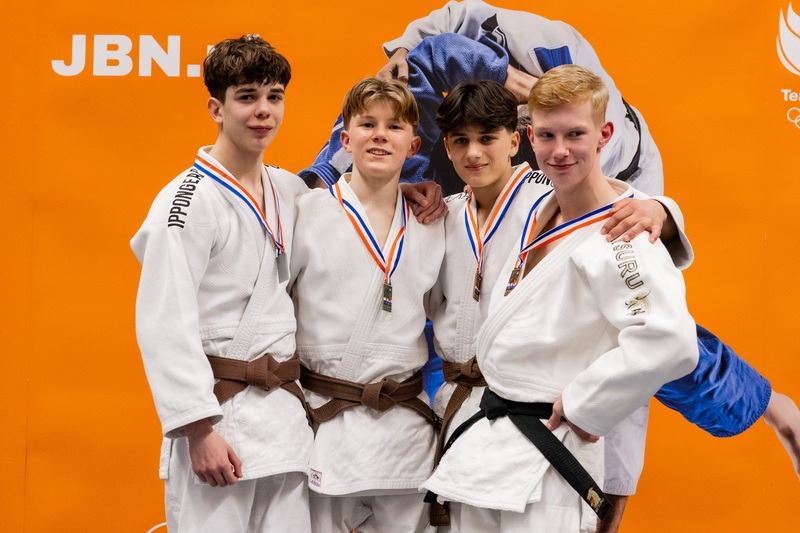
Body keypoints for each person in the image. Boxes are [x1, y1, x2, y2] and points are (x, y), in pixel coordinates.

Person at [422, 64, 700, 532]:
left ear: (604, 135)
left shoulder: (624, 231)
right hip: (487, 436)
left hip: (551, 438)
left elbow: (670, 342)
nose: (560, 150)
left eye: (575, 134)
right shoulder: (538, 212)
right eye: (548, 136)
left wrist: (586, 404)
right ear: (531, 138)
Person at [130, 35, 314, 532]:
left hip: (284, 423)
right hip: (220, 419)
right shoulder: (185, 201)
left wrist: (411, 190)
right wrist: (197, 429)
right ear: (217, 108)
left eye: (274, 96)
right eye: (247, 97)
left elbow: (352, 212)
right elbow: (164, 322)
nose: (263, 111)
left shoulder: (289, 189)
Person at [302, 0, 660, 198]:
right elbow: (450, 28)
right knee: (392, 96)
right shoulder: (538, 41)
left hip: (614, 175)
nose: (475, 154)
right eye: (464, 140)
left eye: (489, 138)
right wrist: (403, 50)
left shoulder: (602, 158)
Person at [288, 78, 444, 533]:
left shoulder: (433, 221)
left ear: (413, 145)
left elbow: (449, 314)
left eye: (394, 127)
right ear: (345, 139)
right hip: (324, 416)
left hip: (405, 425)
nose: (380, 135)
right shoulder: (305, 212)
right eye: (367, 124)